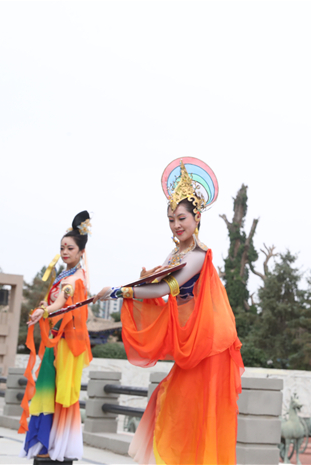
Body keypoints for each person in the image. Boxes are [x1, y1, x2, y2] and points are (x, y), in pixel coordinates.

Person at [94, 157, 243, 465]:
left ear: (197, 217)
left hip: (208, 344)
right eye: (171, 220)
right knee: (173, 401)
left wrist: (121, 291)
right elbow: (155, 286)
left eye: (181, 218)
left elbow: (163, 289)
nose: (176, 225)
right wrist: (130, 287)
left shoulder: (198, 255)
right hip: (190, 341)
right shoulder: (176, 253)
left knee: (192, 408)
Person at [20, 211, 93, 461]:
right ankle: (50, 443)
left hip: (65, 343)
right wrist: (46, 307)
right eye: (62, 248)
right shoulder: (67, 274)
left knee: (59, 392)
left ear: (81, 252)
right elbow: (58, 304)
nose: (64, 252)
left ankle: (55, 444)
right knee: (51, 389)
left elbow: (61, 302)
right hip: (58, 339)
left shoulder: (73, 278)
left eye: (70, 248)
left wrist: (43, 310)